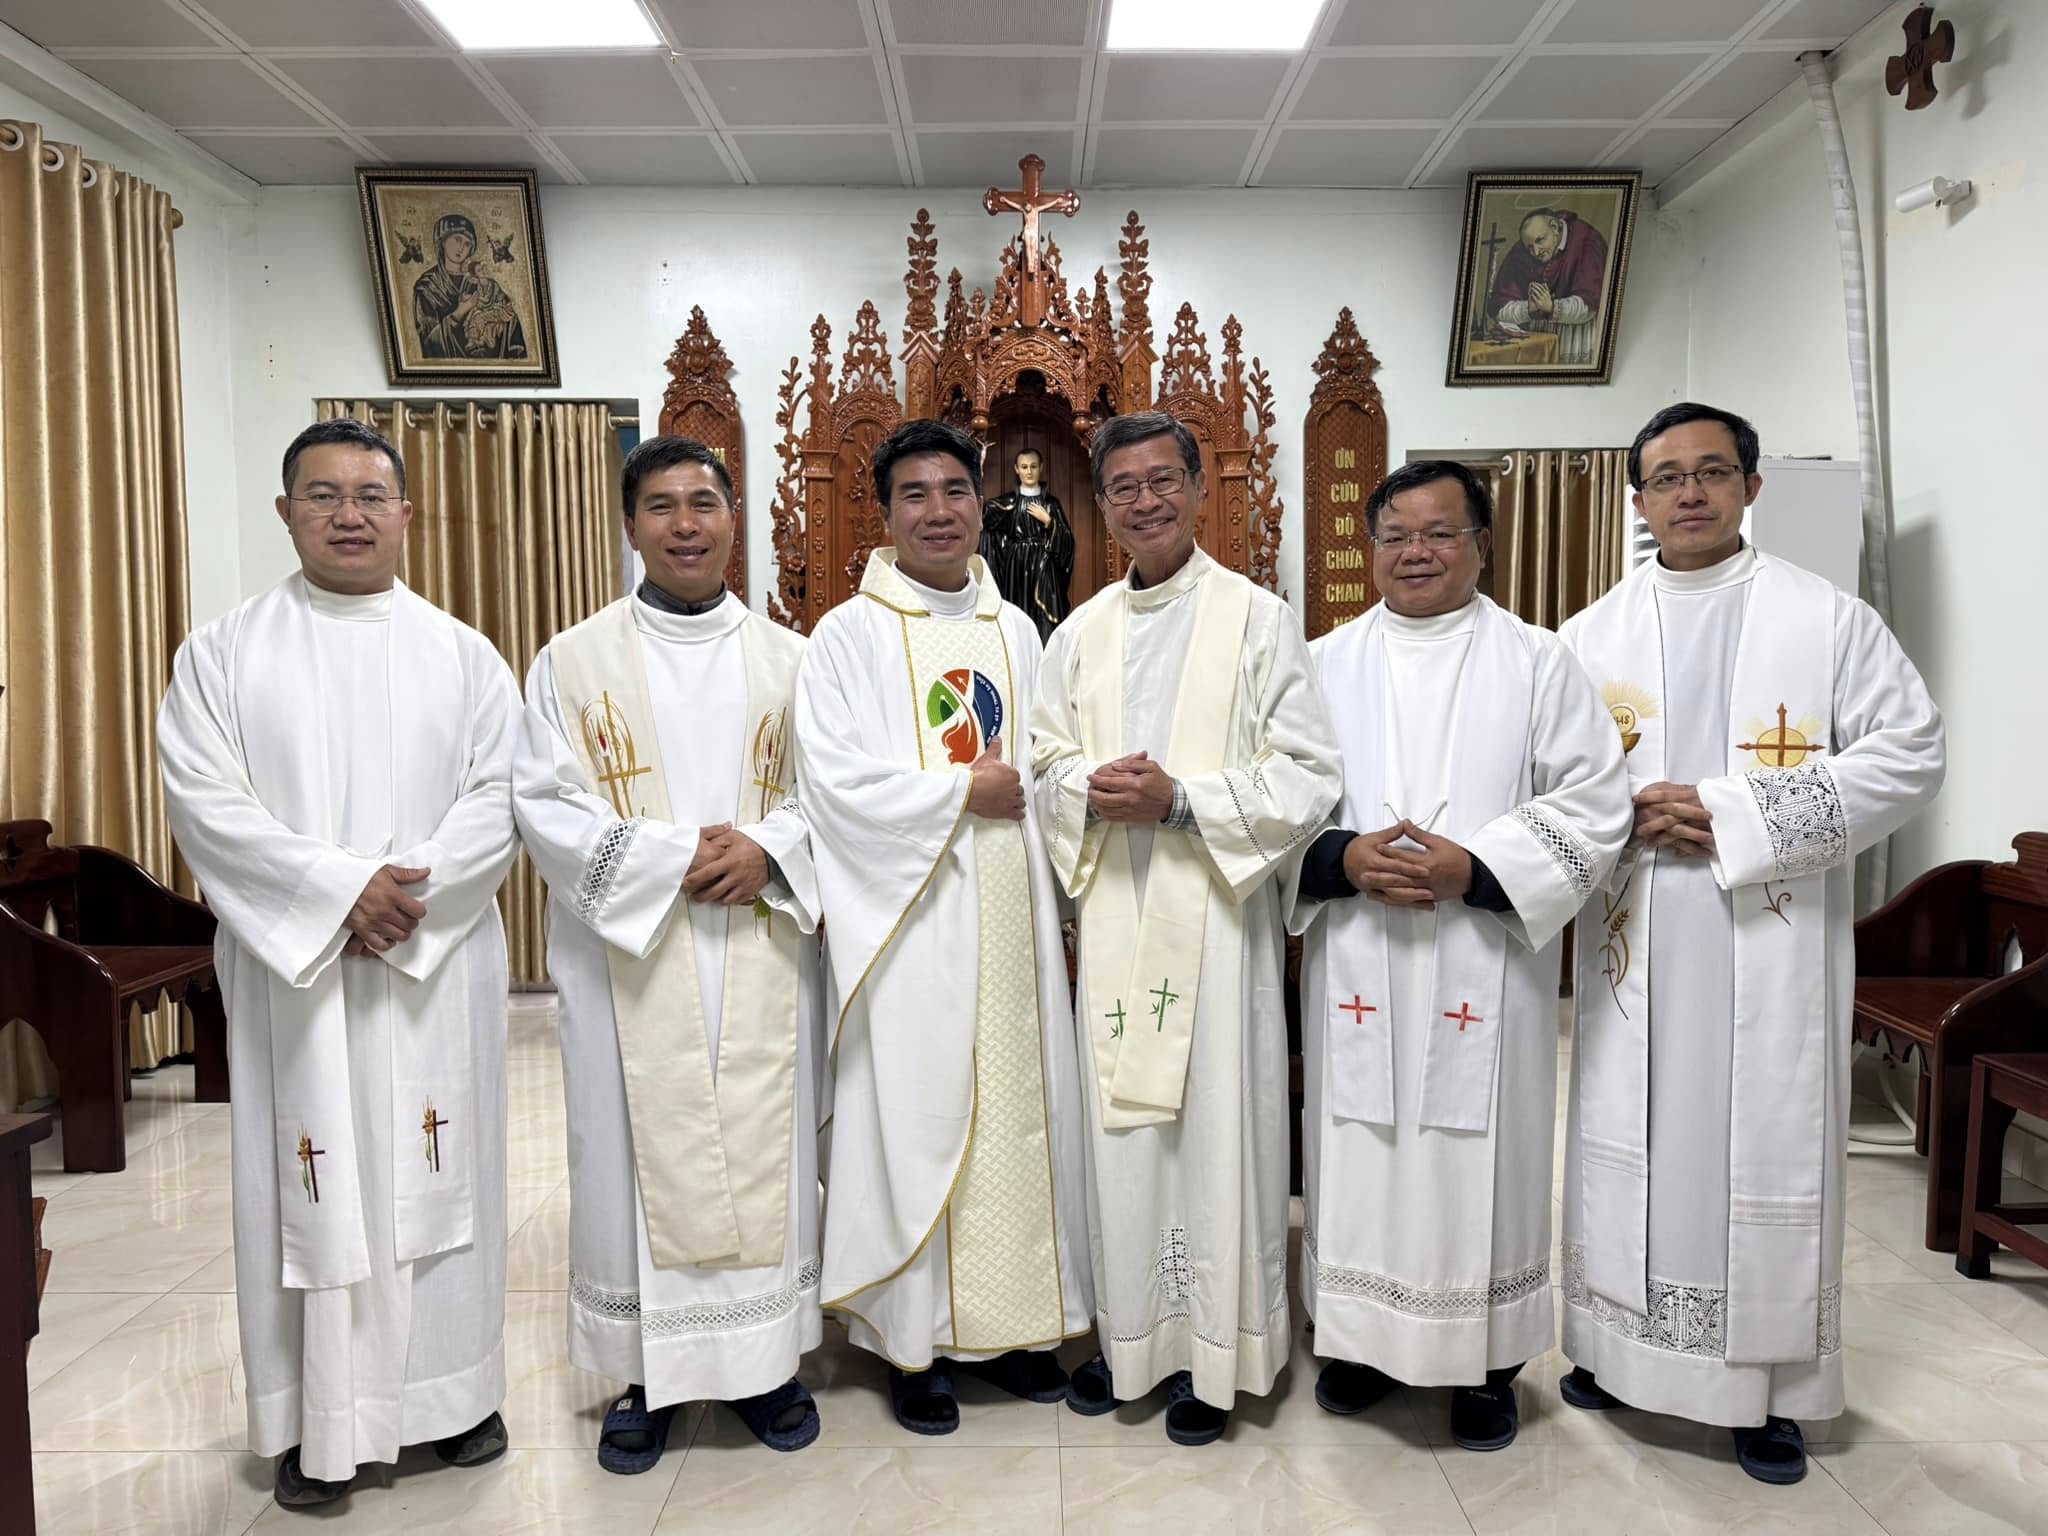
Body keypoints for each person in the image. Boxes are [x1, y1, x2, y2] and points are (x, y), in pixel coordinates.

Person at [1558, 402, 1945, 1485]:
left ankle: (1765, 1389)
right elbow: (1549, 776)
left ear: (1750, 487)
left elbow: (1910, 753)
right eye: (1666, 477)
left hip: (1768, 941)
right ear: (1638, 500)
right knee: (1629, 1136)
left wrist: (1736, 813)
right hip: (1634, 932)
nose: (1688, 493)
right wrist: (1624, 811)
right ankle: (1612, 1352)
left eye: (1711, 472)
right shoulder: (1588, 636)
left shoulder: (1826, 621)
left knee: (1757, 1145)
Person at [158, 418, 520, 1510]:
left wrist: (401, 902)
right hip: (299, 978)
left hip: (431, 964)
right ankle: (310, 1421)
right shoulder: (221, 653)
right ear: (286, 512)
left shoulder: (463, 654)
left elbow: (501, 798)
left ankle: (452, 1399)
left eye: (370, 496)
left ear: (406, 513)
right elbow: (205, 806)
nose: (348, 515)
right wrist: (336, 895)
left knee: (442, 1174)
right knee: (306, 1181)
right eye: (323, 495)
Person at [1283, 460, 1631, 1451]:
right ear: (1369, 548)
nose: (1416, 552)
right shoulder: (1318, 664)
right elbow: (1276, 800)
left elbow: (1593, 802)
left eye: (1439, 533)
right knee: (1359, 1145)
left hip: (1484, 952)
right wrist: (1336, 858)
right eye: (1395, 535)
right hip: (1357, 948)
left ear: (1482, 545)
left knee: (1483, 1155)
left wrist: (1475, 868)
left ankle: (1488, 1364)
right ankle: (1359, 1343)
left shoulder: (1538, 661)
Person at [513, 436, 825, 1474]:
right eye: (660, 506)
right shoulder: (571, 662)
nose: (684, 524)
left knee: (761, 1147)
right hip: (632, 952)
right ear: (629, 524)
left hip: (759, 939)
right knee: (626, 1156)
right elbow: (544, 804)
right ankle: (642, 1377)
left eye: (703, 502)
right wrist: (671, 859)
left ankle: (766, 1366)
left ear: (735, 518)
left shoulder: (794, 661)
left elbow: (832, 795)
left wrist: (769, 851)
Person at [1030, 411, 1343, 1445]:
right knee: (1124, 1135)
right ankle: (1130, 1341)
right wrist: (1085, 786)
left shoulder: (1258, 621)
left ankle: (1213, 1356)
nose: (1145, 501)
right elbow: (1042, 763)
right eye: (1122, 487)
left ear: (1200, 488)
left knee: (1215, 1130)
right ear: (1101, 505)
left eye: (1162, 480)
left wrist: (1181, 802)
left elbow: (1309, 773)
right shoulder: (1078, 635)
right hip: (1117, 920)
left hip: (1216, 924)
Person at [795, 417, 1093, 1434]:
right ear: (883, 514)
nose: (937, 511)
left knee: (1018, 1116)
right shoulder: (847, 636)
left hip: (1012, 914)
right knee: (915, 1117)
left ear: (981, 503)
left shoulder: (1020, 633)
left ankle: (1016, 1332)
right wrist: (959, 793)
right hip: (907, 924)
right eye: (914, 495)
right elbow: (830, 784)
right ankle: (911, 1345)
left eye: (954, 491)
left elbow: (1050, 766)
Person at [1486, 208, 1609, 365]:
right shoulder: (1522, 248)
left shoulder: (1587, 241)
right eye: (1530, 247)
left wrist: (1552, 308)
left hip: (1573, 341)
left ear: (1555, 227)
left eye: (1540, 240)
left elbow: (1589, 307)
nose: (1536, 252)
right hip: (1536, 344)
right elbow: (1499, 308)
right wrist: (1527, 310)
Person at [980, 447, 1076, 641]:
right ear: (1017, 469)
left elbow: (1067, 543)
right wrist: (977, 469)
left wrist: (1048, 521)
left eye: (1033, 466)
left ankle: (1046, 652)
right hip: (1017, 566)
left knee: (1046, 617)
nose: (1029, 472)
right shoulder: (1009, 503)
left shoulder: (1050, 504)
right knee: (1018, 611)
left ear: (1041, 467)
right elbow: (981, 513)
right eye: (1024, 467)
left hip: (1044, 567)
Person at [412, 212, 527, 361]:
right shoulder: (427, 286)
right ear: (442, 241)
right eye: (457, 239)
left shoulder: (479, 282)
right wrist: (459, 313)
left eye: (467, 244)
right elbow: (428, 342)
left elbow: (509, 316)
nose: (461, 248)